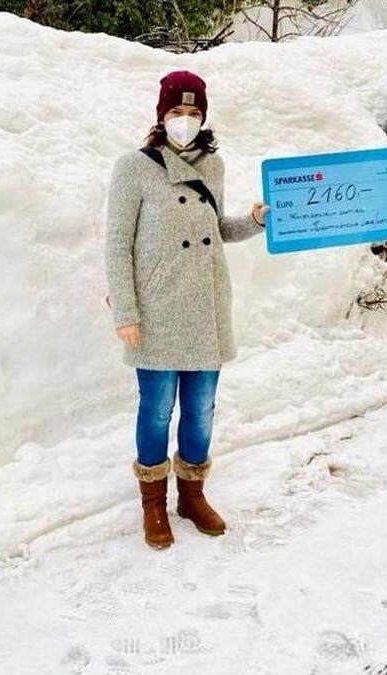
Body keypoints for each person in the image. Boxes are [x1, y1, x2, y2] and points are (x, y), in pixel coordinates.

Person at [105, 70, 268, 549]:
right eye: (177, 112)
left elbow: (219, 228)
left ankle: (191, 496)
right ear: (161, 115)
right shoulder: (134, 167)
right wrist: (126, 312)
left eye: (194, 114)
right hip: (156, 311)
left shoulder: (213, 167)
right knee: (157, 410)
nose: (185, 121)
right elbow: (117, 243)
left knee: (200, 411)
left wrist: (256, 221)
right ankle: (153, 503)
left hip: (206, 306)